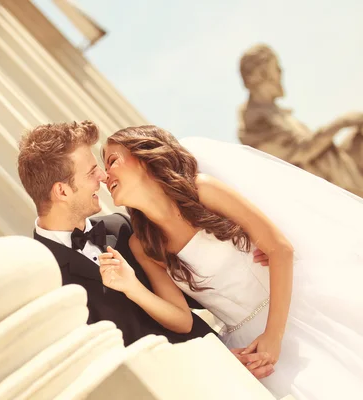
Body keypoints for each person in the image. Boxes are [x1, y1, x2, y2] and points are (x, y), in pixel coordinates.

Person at [99, 125, 363, 399]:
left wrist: (273, 336)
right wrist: (132, 287)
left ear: (144, 157)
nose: (105, 176)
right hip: (249, 348)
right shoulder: (142, 244)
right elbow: (182, 320)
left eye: (112, 161)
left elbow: (280, 249)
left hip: (296, 312)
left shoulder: (202, 190)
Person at [16, 121, 273, 378]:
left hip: (237, 369)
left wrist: (248, 247)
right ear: (61, 191)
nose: (103, 177)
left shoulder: (122, 227)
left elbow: (200, 290)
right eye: (92, 171)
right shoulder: (45, 284)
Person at [237, 44, 363, 197]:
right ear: (261, 74)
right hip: (330, 189)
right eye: (276, 68)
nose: (281, 72)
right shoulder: (255, 120)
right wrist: (342, 122)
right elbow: (301, 152)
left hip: (341, 172)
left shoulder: (276, 113)